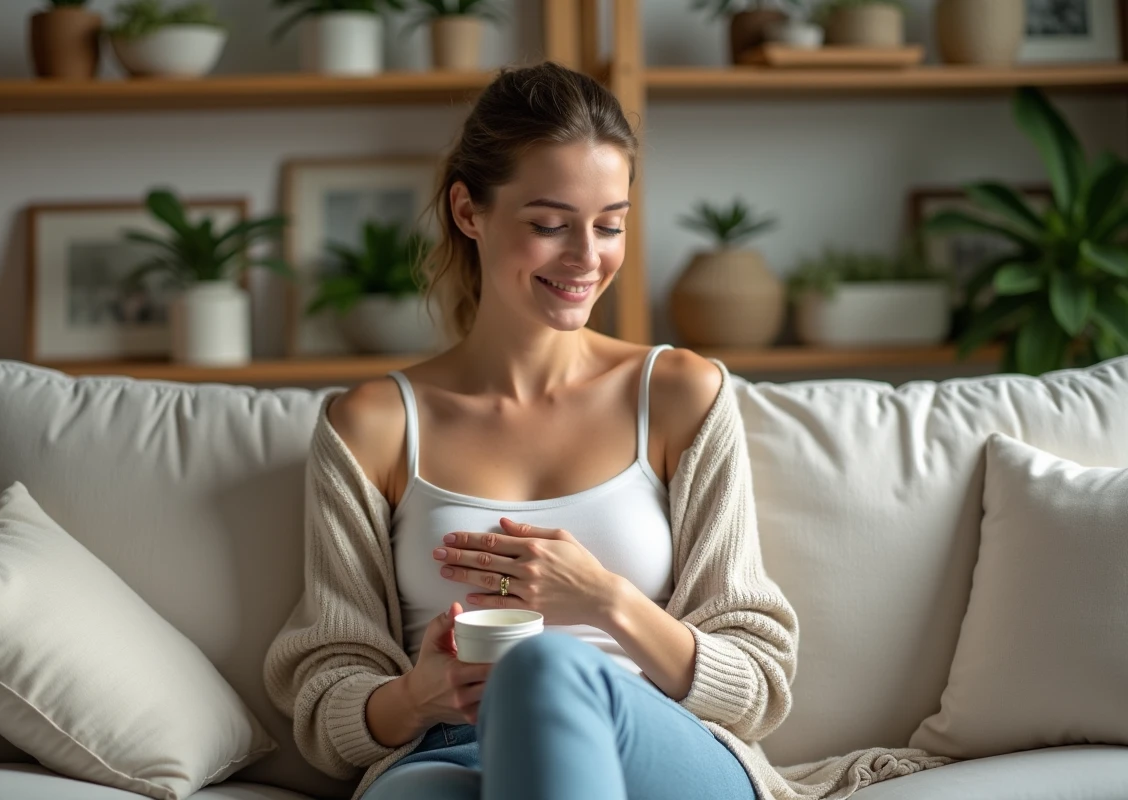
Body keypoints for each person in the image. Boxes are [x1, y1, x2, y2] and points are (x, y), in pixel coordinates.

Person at [264, 61, 805, 800]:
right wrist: (421, 694)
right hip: (451, 751)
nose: (588, 258)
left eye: (609, 224)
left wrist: (604, 599)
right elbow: (327, 703)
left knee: (543, 666)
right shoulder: (374, 426)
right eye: (550, 225)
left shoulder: (679, 395)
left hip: (646, 741)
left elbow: (759, 682)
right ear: (468, 211)